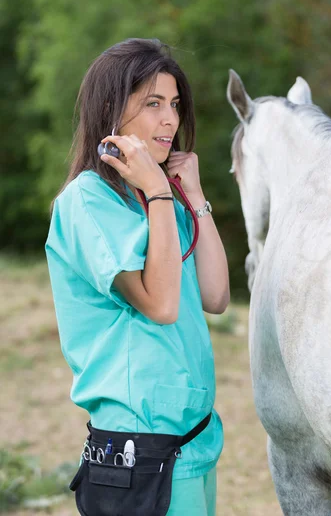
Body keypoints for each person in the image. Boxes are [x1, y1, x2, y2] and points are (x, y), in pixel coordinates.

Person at [44, 38, 229, 516]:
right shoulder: (87, 201)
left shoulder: (160, 200)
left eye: (174, 105)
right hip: (141, 445)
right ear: (109, 110)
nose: (169, 120)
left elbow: (216, 295)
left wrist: (194, 196)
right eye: (152, 104)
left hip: (192, 437)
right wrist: (158, 191)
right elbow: (161, 304)